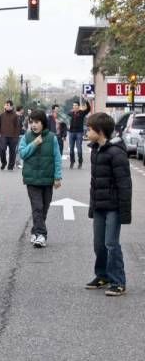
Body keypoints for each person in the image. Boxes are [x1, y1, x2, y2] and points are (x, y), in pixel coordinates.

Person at [85, 112, 131, 296]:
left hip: (113, 207)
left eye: (89, 129)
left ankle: (118, 281)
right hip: (99, 207)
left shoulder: (116, 153)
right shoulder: (96, 150)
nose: (87, 132)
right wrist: (92, 207)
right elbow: (95, 183)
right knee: (99, 244)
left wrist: (124, 212)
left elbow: (125, 184)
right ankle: (102, 275)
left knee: (111, 243)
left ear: (100, 131)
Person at [19, 110, 62, 248]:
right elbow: (22, 154)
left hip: (47, 179)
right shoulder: (26, 137)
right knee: (37, 207)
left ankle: (35, 230)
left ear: (43, 123)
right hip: (32, 179)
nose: (34, 125)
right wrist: (34, 144)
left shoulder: (52, 138)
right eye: (31, 122)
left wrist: (57, 177)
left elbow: (57, 158)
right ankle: (41, 235)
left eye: (37, 122)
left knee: (44, 208)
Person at [68, 95, 91, 169]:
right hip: (71, 132)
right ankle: (72, 162)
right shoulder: (71, 113)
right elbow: (65, 117)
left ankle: (80, 162)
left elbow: (89, 109)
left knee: (79, 148)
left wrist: (86, 100)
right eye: (73, 106)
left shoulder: (82, 112)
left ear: (78, 106)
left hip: (79, 132)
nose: (74, 107)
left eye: (76, 105)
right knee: (71, 149)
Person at [0, 100, 21, 171]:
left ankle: (11, 165)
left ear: (11, 106)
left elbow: (17, 127)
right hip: (3, 135)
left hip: (13, 136)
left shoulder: (15, 116)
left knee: (12, 151)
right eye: (5, 105)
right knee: (1, 149)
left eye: (8, 105)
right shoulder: (1, 115)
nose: (6, 106)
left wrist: (16, 137)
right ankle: (3, 162)